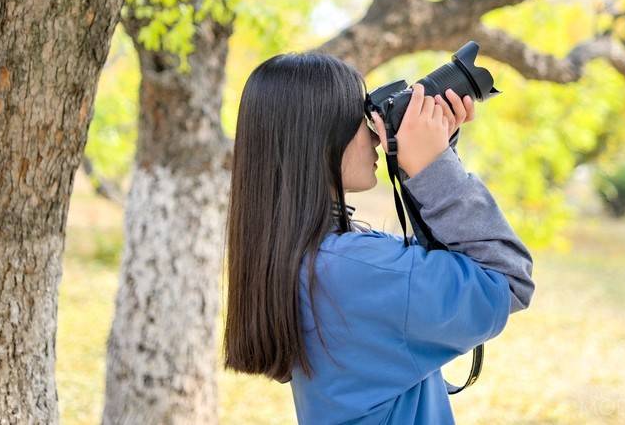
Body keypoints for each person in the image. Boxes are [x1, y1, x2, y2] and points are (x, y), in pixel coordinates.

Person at [223, 51, 535, 424]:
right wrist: (432, 167)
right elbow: (507, 279)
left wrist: (433, 155)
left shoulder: (304, 260)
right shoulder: (353, 272)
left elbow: (438, 267)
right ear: (319, 135)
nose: (374, 135)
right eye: (359, 115)